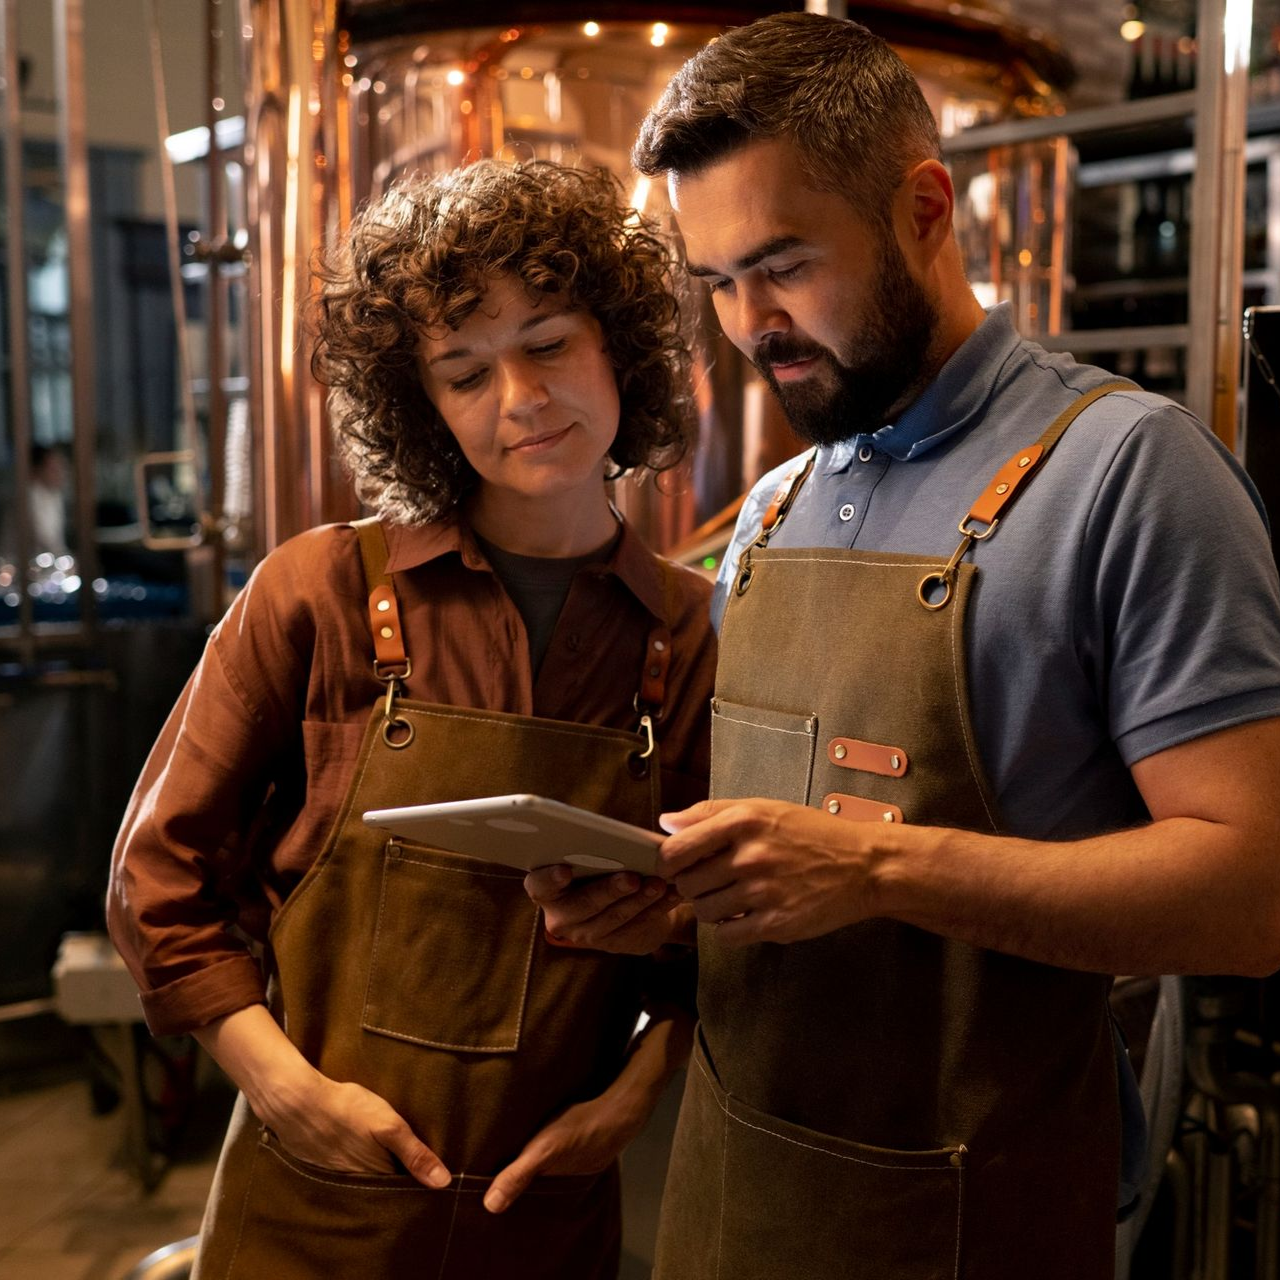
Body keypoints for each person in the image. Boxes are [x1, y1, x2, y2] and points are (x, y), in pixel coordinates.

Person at [527, 14, 1280, 1279]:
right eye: (713, 282)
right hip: (735, 1195)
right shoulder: (768, 511)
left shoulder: (1125, 475)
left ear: (925, 207)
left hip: (968, 1215)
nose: (748, 322)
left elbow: (1249, 895)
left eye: (780, 264)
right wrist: (664, 906)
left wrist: (882, 868)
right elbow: (789, 876)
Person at [107, 158, 716, 1280]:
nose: (520, 400)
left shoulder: (696, 633)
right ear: (420, 405)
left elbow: (722, 937)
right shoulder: (319, 593)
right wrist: (288, 1093)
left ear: (620, 344)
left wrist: (630, 1100)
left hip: (547, 1219)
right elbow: (158, 880)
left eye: (547, 342)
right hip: (313, 1208)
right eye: (462, 371)